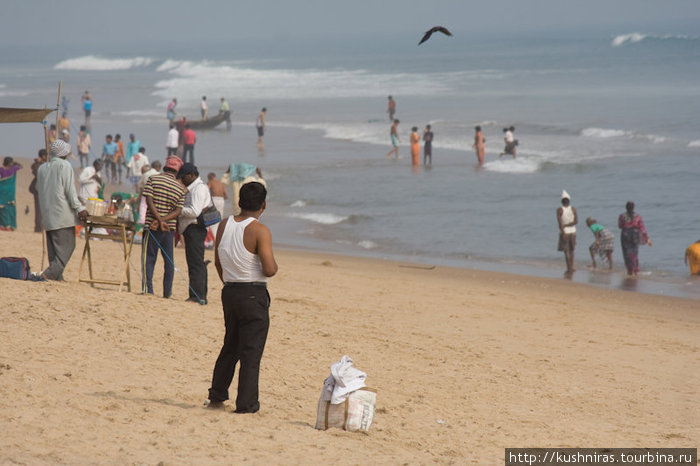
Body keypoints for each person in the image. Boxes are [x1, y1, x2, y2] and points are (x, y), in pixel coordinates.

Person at [205, 181, 278, 413]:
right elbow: (269, 269)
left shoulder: (225, 224)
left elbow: (217, 262)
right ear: (263, 205)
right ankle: (246, 404)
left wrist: (228, 282)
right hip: (252, 293)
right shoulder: (259, 230)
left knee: (230, 346)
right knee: (251, 352)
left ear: (239, 201)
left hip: (230, 290)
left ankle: (217, 396)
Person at [36, 140, 88, 280]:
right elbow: (70, 191)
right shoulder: (64, 166)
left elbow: (38, 189)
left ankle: (57, 277)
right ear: (63, 154)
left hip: (47, 214)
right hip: (61, 214)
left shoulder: (42, 168)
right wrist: (79, 208)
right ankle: (49, 274)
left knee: (54, 250)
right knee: (68, 247)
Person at [141, 156, 186, 297]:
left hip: (151, 226)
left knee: (149, 258)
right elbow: (178, 210)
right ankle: (167, 293)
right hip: (169, 228)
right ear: (177, 172)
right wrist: (164, 220)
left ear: (164, 168)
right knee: (169, 261)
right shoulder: (180, 188)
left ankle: (148, 290)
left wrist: (158, 219)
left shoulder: (153, 179)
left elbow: (148, 201)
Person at [177, 163, 212, 304]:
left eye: (183, 177)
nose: (182, 180)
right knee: (194, 263)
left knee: (196, 263)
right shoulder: (193, 188)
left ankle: (197, 295)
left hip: (195, 229)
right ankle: (197, 294)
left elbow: (194, 211)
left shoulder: (198, 189)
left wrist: (178, 209)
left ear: (191, 175)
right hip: (192, 229)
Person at [618, 201, 652, 277]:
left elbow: (620, 226)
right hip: (635, 236)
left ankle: (630, 271)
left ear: (626, 207)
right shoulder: (638, 216)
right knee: (634, 253)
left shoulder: (622, 216)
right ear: (633, 207)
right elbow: (642, 227)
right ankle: (635, 271)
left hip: (625, 235)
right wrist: (647, 238)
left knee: (626, 253)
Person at [556, 190, 577, 274]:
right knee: (572, 250)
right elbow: (576, 221)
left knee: (566, 251)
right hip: (573, 231)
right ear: (569, 201)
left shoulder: (559, 210)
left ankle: (569, 268)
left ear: (562, 201)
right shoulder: (573, 209)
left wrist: (564, 229)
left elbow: (559, 223)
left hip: (565, 232)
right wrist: (568, 225)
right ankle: (571, 267)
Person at [0, 157, 23, 231]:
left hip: (3, 191)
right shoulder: (13, 168)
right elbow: (21, 166)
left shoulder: (2, 169)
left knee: (4, 208)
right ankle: (9, 225)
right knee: (8, 208)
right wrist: (16, 163)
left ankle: (5, 225)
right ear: (10, 163)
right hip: (9, 192)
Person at [28, 149, 48, 232]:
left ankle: (43, 226)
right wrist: (38, 162)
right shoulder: (37, 165)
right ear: (43, 156)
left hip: (46, 189)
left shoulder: (47, 164)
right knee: (38, 209)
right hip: (39, 189)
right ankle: (39, 227)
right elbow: (36, 172)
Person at [208, 172, 228, 238]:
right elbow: (226, 196)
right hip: (221, 200)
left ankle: (212, 235)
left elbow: (206, 190)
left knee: (212, 217)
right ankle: (218, 235)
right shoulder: (221, 183)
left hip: (214, 199)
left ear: (210, 177)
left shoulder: (210, 182)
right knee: (220, 217)